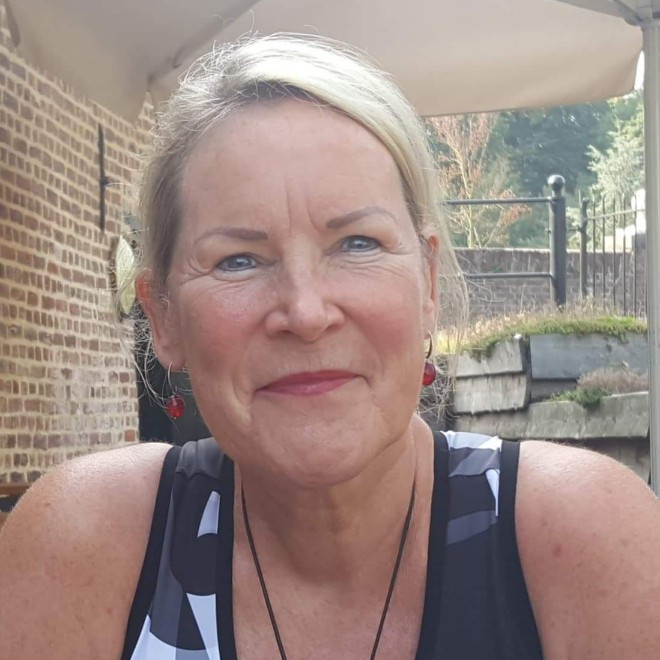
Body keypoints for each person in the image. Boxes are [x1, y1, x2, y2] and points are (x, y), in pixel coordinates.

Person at [1, 34, 660, 660]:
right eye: (237, 260)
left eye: (357, 244)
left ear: (428, 285)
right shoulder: (83, 547)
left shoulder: (584, 538)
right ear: (163, 316)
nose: (307, 313)